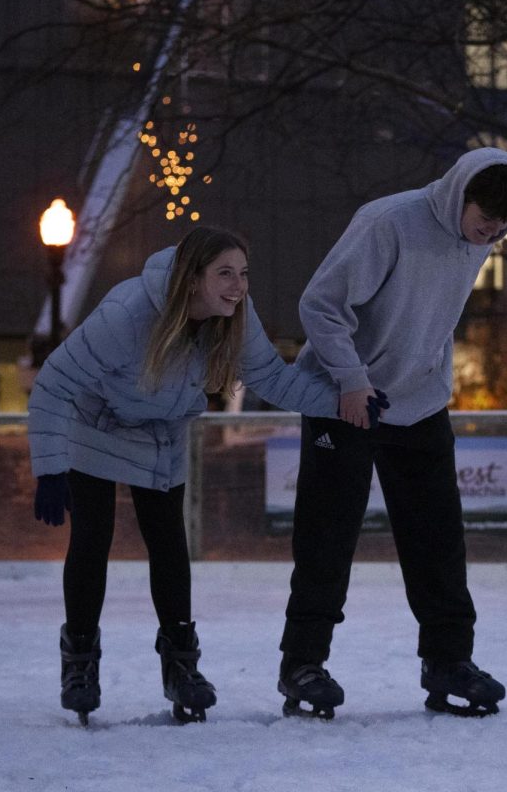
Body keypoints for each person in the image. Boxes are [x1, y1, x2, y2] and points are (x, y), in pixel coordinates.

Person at [28, 225, 386, 725]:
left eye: (243, 273)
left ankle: (181, 667)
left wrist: (344, 403)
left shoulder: (235, 317)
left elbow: (273, 378)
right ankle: (80, 665)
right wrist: (49, 469)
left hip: (161, 434)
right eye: (224, 274)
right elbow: (54, 384)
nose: (238, 285)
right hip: (98, 427)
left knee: (169, 542)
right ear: (192, 278)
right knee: (92, 538)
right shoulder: (128, 314)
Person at [277, 147, 507, 719]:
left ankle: (447, 660)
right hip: (343, 398)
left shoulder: (476, 241)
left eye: (501, 228)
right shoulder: (388, 222)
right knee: (328, 534)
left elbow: (432, 317)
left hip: (416, 403)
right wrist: (351, 380)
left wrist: (434, 378)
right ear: (458, 194)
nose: (490, 235)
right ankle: (302, 664)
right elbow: (319, 305)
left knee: (438, 538)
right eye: (484, 221)